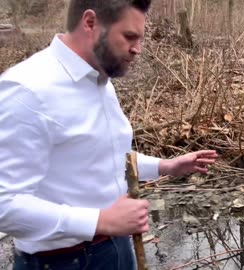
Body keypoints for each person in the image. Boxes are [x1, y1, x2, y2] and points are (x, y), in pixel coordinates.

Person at [0, 0, 218, 269]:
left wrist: (167, 166)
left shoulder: (100, 81)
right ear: (91, 23)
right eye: (129, 36)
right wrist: (99, 221)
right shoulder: (27, 89)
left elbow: (106, 156)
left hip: (114, 247)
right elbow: (5, 205)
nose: (137, 49)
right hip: (61, 261)